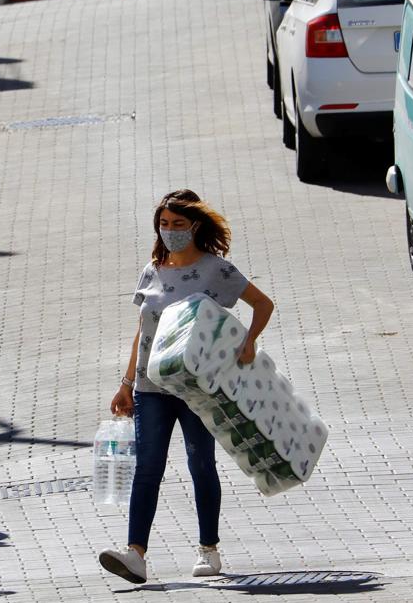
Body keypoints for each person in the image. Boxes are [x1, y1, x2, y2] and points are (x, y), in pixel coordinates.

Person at [98, 190, 275, 584]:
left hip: (197, 388)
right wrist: (126, 383)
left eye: (178, 224)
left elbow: (263, 304)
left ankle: (208, 549)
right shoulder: (153, 270)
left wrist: (249, 341)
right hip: (150, 388)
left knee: (201, 464)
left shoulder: (216, 269)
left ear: (195, 226)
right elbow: (142, 331)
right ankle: (135, 555)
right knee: (148, 468)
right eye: (164, 224)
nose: (170, 230)